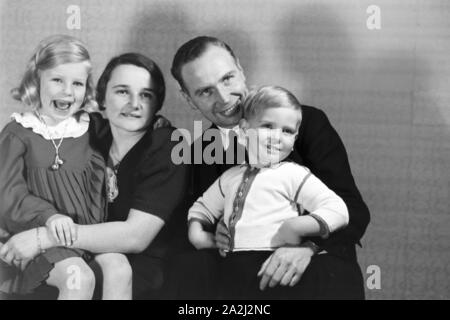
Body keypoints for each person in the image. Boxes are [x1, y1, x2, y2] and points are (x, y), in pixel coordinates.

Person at [169, 36, 370, 299]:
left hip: (313, 264)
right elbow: (195, 220)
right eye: (205, 91)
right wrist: (214, 230)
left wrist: (307, 247)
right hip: (241, 271)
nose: (223, 97)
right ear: (188, 99)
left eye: (227, 78)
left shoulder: (306, 122)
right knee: (190, 267)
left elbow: (353, 211)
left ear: (240, 70)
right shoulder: (200, 151)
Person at [0, 52, 189, 299]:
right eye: (122, 92)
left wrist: (43, 237)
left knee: (105, 271)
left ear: (156, 104)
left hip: (141, 263)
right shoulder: (87, 131)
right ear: (101, 98)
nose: (135, 104)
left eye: (146, 95)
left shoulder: (169, 145)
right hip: (79, 251)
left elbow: (135, 237)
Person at [0, 35, 131, 299]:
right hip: (36, 237)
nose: (68, 91)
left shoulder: (91, 127)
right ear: (37, 81)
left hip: (83, 236)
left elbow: (131, 135)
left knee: (119, 267)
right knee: (77, 276)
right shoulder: (18, 133)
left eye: (78, 83)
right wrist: (50, 216)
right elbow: (9, 194)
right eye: (57, 80)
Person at [188, 85, 350, 298]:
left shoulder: (294, 174)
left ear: (295, 139)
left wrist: (295, 227)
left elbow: (338, 210)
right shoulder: (230, 178)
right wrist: (198, 235)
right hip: (231, 271)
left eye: (287, 131)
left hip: (275, 270)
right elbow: (202, 207)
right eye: (268, 126)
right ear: (244, 130)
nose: (277, 137)